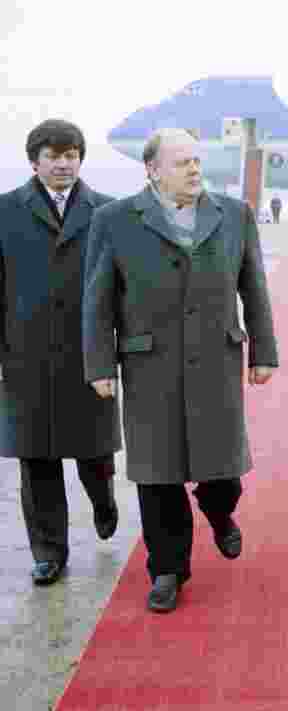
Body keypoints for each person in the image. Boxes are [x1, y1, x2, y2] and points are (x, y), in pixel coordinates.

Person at [83, 128, 279, 613]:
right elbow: (97, 301)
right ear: (152, 171)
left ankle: (219, 511)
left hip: (216, 359)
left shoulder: (234, 215)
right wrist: (99, 364)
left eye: (197, 160)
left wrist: (264, 351)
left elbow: (253, 286)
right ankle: (168, 568)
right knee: (158, 474)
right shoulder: (114, 220)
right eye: (182, 163)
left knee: (224, 470)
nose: (194, 170)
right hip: (150, 363)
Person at [0, 119, 121, 586]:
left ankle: (104, 501)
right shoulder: (7, 210)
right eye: (54, 155)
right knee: (38, 461)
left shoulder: (107, 212)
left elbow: (122, 287)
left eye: (71, 154)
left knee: (93, 452)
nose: (64, 163)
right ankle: (49, 552)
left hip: (88, 355)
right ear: (35, 162)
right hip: (25, 357)